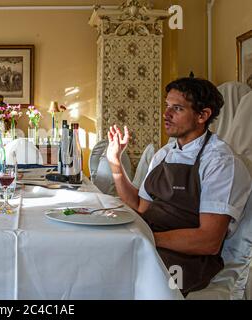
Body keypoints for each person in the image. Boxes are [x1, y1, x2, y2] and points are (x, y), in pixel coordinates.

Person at [106, 77, 251, 296]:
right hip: (150, 244)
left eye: (177, 108)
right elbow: (139, 206)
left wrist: (147, 237)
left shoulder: (220, 162)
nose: (166, 114)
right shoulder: (164, 154)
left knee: (114, 278)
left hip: (187, 262)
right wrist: (114, 161)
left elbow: (208, 241)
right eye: (167, 106)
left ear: (203, 115)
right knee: (92, 255)